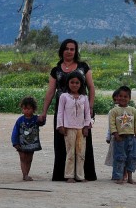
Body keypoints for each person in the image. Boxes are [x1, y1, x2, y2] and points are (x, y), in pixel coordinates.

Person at [42, 38, 97, 181]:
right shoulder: (56, 70)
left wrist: (90, 107)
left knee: (82, 144)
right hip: (62, 113)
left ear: (76, 51)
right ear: (62, 50)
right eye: (66, 48)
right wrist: (44, 112)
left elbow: (91, 87)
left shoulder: (83, 67)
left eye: (72, 49)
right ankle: (64, 175)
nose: (69, 51)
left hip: (82, 111)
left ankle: (83, 174)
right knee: (62, 144)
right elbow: (50, 92)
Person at [56, 72, 92, 182]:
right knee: (70, 152)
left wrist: (87, 126)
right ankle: (69, 176)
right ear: (68, 83)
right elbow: (60, 112)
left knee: (81, 153)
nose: (74, 85)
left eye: (77, 82)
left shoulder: (84, 98)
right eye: (72, 82)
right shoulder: (64, 96)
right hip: (69, 128)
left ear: (81, 84)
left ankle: (80, 176)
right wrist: (60, 125)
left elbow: (87, 113)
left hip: (81, 129)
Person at [109, 86, 136, 184]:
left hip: (132, 138)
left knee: (132, 157)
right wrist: (115, 134)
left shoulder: (133, 110)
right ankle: (119, 177)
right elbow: (112, 124)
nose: (123, 98)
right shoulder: (114, 111)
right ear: (117, 97)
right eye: (120, 96)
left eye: (125, 96)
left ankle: (130, 177)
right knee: (120, 157)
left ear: (129, 98)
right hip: (120, 138)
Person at [11, 96, 46, 181]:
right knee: (23, 158)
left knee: (29, 159)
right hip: (21, 143)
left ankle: (26, 173)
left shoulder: (36, 119)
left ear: (33, 109)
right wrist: (15, 143)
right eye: (24, 109)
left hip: (31, 144)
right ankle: (25, 175)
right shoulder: (20, 120)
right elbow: (15, 132)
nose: (26, 110)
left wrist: (42, 118)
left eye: (29, 109)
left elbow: (41, 123)